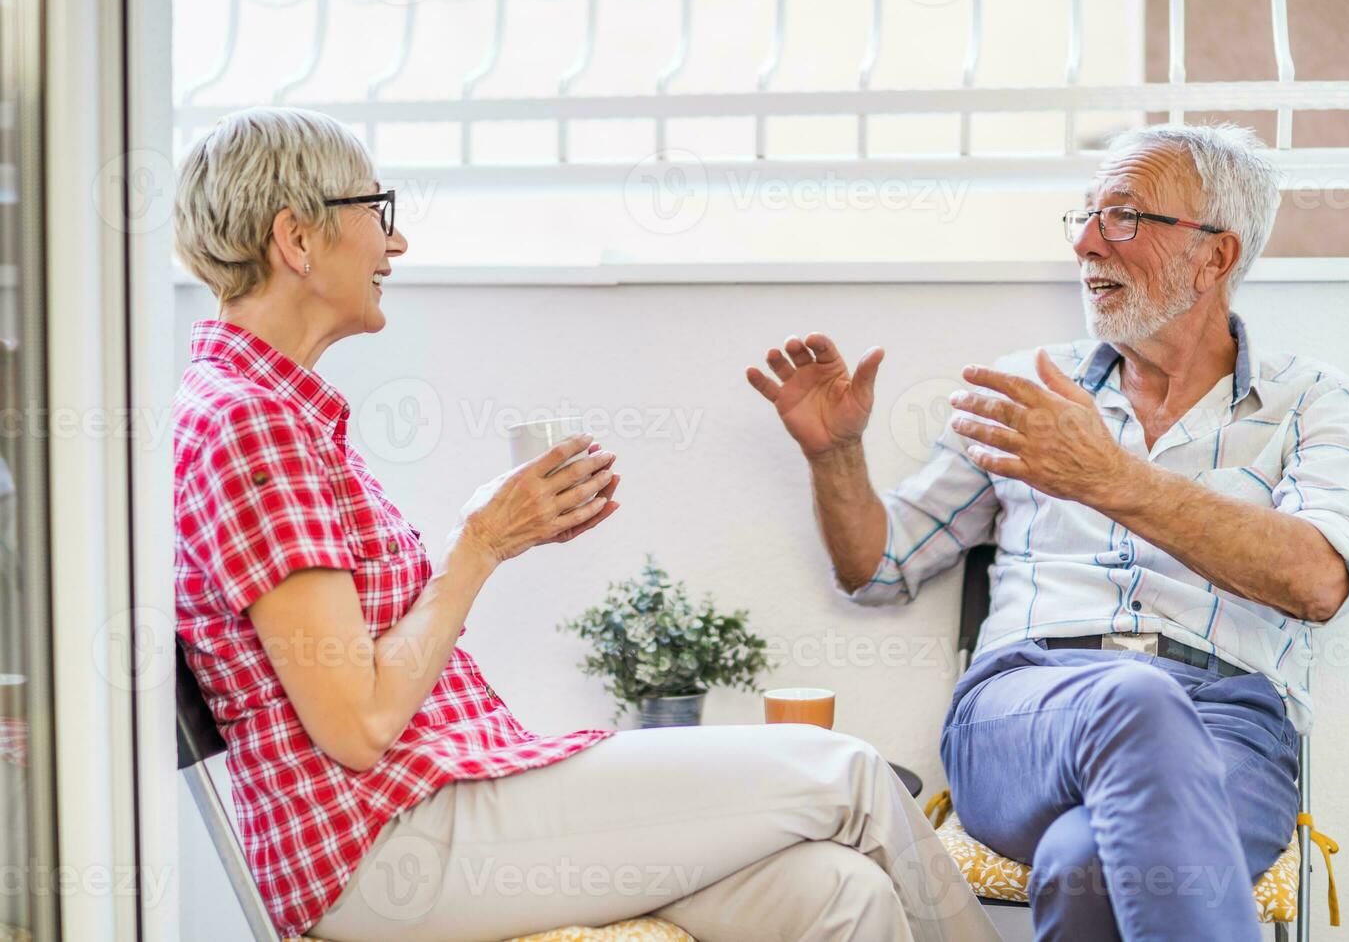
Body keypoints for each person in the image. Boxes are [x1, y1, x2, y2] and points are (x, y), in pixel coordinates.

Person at [173, 106, 995, 942]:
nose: (395, 244)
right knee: (845, 771)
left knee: (838, 891)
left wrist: (499, 533)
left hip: (441, 801)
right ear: (297, 239)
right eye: (374, 212)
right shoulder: (251, 424)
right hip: (385, 841)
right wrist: (481, 542)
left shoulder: (272, 412)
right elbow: (357, 725)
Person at [748, 123, 1349, 941]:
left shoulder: (1315, 401)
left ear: (1214, 257)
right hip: (1023, 714)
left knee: (1084, 863)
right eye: (1084, 216)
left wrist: (1109, 479)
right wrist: (835, 457)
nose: (1085, 243)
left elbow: (1319, 580)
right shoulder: (1022, 389)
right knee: (1132, 695)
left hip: (1227, 724)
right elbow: (878, 567)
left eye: (1121, 217)